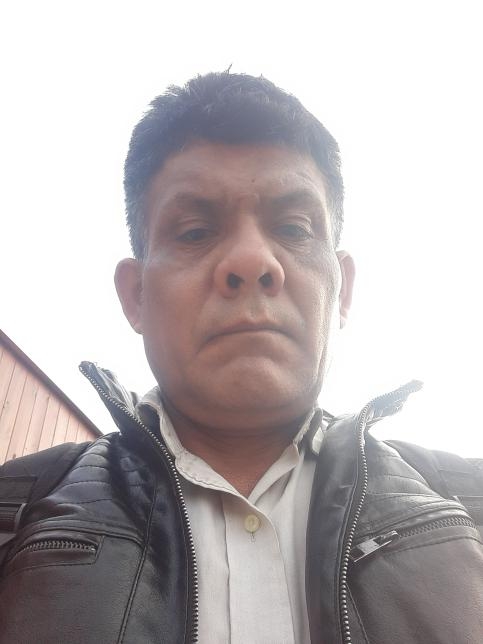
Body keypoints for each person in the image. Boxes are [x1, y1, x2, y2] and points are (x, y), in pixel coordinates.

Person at [0, 72, 482, 644]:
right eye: (195, 231)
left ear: (343, 289)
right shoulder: (15, 513)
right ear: (135, 295)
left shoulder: (469, 507)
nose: (252, 260)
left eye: (294, 228)